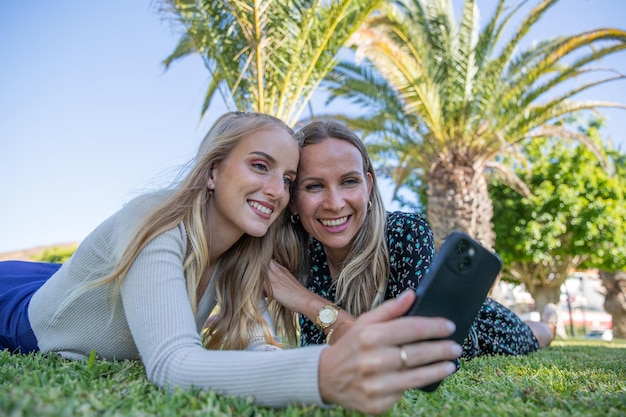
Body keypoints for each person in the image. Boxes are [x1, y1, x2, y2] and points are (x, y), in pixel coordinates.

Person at [0, 111, 461, 415]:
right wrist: (322, 373)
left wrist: (280, 363)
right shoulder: (157, 221)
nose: (277, 191)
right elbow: (171, 365)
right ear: (213, 169)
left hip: (78, 281)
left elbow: (256, 341)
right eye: (260, 167)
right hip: (20, 304)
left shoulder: (247, 248)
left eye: (287, 179)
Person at [268, 119, 555, 360]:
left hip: (477, 323)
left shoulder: (405, 231)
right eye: (314, 186)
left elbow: (416, 349)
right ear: (293, 200)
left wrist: (303, 299)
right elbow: (323, 351)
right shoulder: (302, 251)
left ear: (368, 186)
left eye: (349, 182)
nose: (334, 203)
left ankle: (548, 323)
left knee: (536, 335)